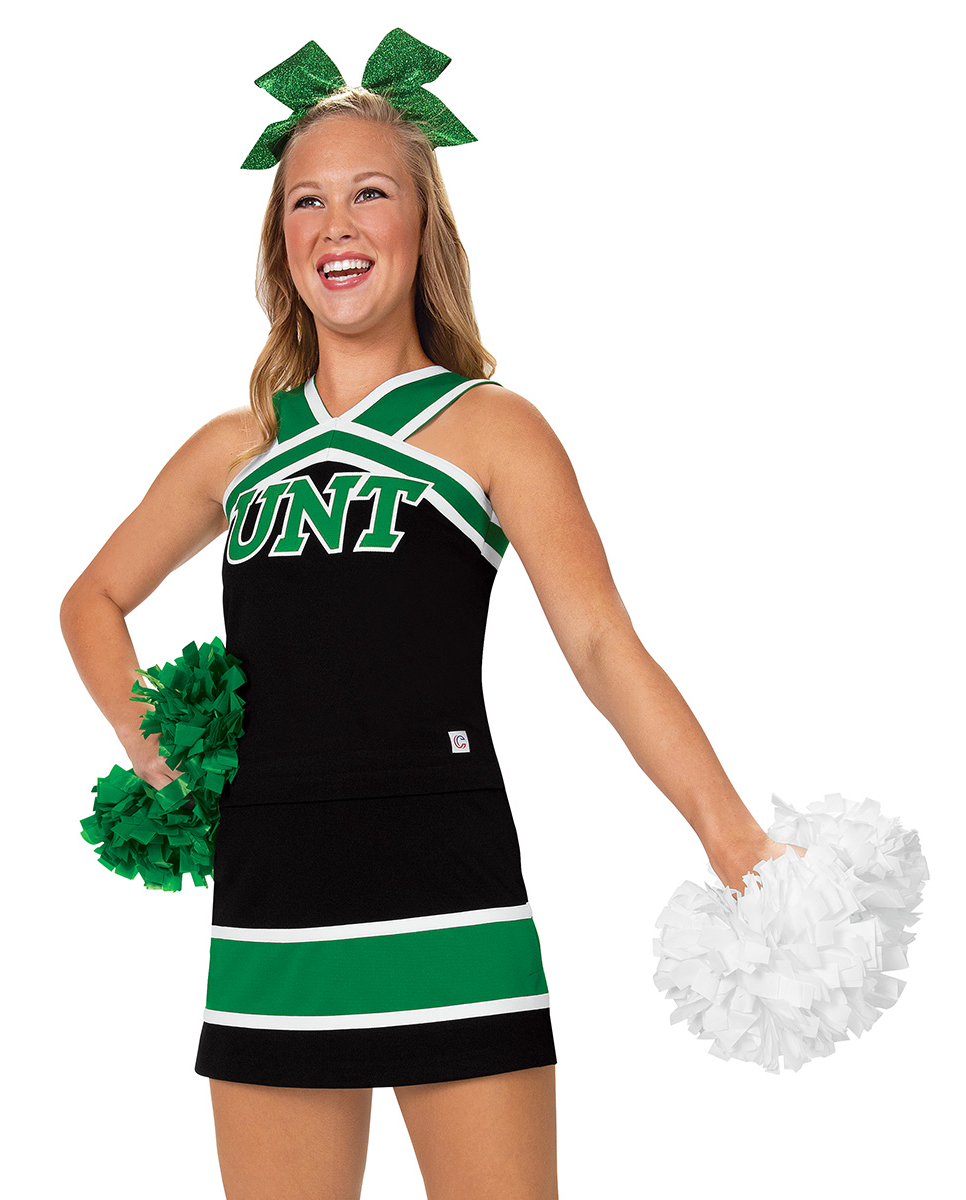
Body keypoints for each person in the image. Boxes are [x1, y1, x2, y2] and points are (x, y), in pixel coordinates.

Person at [60, 37, 805, 1200]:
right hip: (276, 907)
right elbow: (92, 600)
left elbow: (600, 644)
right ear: (281, 241)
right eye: (307, 200)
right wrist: (151, 741)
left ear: (422, 228)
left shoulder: (492, 427)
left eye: (371, 192)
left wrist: (729, 834)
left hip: (448, 889)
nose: (337, 223)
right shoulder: (235, 449)